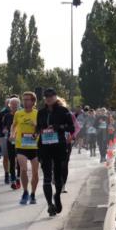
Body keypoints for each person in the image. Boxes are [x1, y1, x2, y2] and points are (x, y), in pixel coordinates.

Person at [36, 89, 76, 217]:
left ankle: (57, 195)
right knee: (47, 176)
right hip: (44, 147)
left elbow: (71, 128)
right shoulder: (41, 112)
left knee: (58, 175)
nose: (48, 98)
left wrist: (58, 127)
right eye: (46, 96)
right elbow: (37, 127)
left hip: (58, 146)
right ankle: (49, 205)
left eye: (51, 96)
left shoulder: (63, 111)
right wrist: (38, 131)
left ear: (55, 97)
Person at [10, 91, 40, 205]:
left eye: (28, 99)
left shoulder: (38, 113)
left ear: (33, 101)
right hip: (21, 145)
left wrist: (36, 126)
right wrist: (12, 134)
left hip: (34, 146)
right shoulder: (18, 113)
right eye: (24, 99)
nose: (25, 101)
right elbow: (14, 125)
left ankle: (33, 194)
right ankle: (25, 191)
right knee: (23, 169)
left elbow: (41, 128)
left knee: (35, 172)